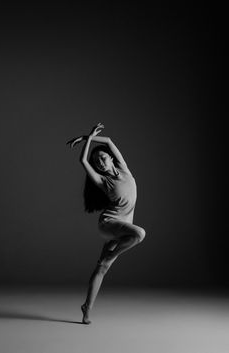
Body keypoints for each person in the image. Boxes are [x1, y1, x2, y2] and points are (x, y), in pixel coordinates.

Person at [66, 123, 146, 324]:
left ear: (110, 158)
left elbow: (109, 142)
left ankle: (86, 309)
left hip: (121, 228)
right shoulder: (103, 181)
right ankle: (112, 254)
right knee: (139, 234)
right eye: (97, 162)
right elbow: (83, 160)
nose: (100, 163)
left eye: (102, 158)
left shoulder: (124, 169)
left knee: (102, 266)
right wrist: (87, 146)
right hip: (109, 223)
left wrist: (88, 136)